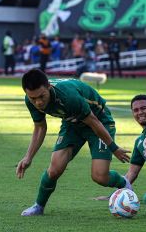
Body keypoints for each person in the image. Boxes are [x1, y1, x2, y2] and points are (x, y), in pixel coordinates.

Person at [16, 69, 132, 216]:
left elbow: (93, 122)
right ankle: (39, 206)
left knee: (100, 176)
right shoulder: (31, 101)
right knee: (54, 170)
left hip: (99, 121)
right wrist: (28, 157)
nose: (38, 102)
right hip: (72, 123)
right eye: (33, 98)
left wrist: (114, 148)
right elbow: (40, 127)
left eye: (41, 96)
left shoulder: (68, 97)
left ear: (49, 87)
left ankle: (124, 184)